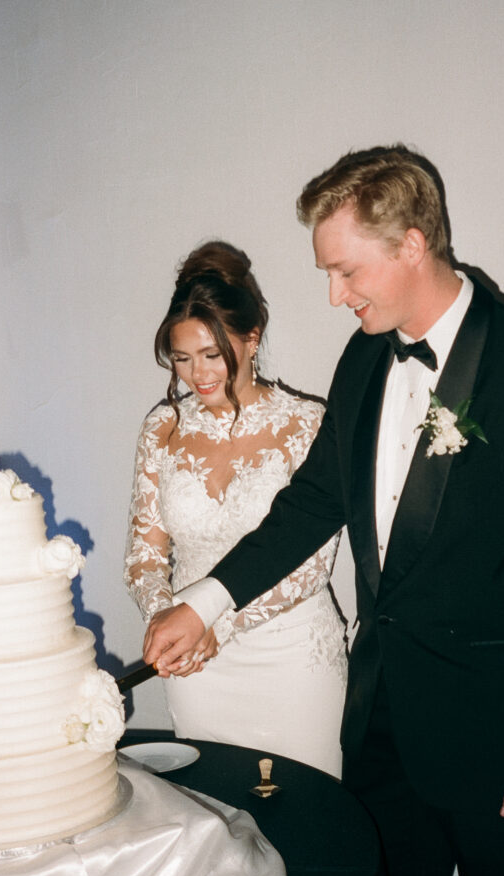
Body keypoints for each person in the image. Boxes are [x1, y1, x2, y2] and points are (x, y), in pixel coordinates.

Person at [143, 147, 504, 876]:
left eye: (344, 270)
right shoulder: (365, 359)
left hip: (497, 731)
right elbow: (311, 505)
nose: (335, 294)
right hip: (379, 721)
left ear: (411, 245)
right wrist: (205, 599)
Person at [125, 240, 347, 778]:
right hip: (199, 670)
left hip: (293, 659)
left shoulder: (308, 423)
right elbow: (144, 555)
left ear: (252, 338)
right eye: (181, 358)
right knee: (222, 825)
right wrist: (165, 620)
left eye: (210, 354)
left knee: (310, 819)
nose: (196, 375)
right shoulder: (162, 427)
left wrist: (213, 628)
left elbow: (311, 563)